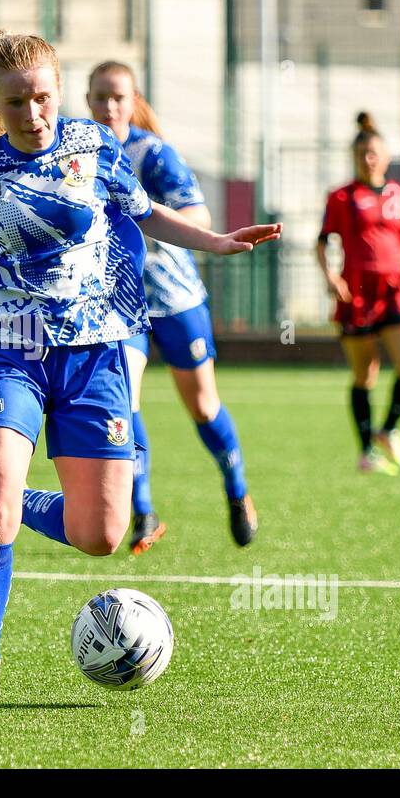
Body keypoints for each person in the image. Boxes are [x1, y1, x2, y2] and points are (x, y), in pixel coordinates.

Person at [0, 30, 280, 697]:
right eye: (16, 102)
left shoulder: (95, 146)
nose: (33, 113)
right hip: (8, 349)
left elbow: (145, 212)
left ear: (57, 92)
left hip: (98, 353)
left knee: (101, 534)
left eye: (43, 97)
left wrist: (213, 241)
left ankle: (18, 499)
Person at [87, 60, 257, 551]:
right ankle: (143, 511)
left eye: (118, 96)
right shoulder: (78, 156)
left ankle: (237, 491)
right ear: (87, 101)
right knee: (126, 402)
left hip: (176, 297)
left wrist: (147, 221)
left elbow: (199, 213)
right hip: (120, 305)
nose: (109, 106)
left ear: (134, 100)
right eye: (100, 97)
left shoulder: (151, 153)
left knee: (203, 406)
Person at [315, 112, 400, 474]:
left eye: (373, 153)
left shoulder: (399, 195)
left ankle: (388, 430)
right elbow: (322, 243)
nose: (368, 159)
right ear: (354, 158)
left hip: (395, 290)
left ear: (385, 157)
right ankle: (366, 452)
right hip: (356, 291)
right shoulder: (341, 197)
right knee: (365, 375)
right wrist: (330, 277)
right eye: (361, 154)